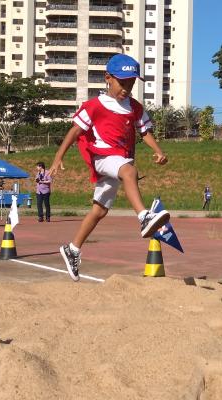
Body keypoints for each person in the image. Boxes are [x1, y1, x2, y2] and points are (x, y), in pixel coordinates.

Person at [49, 53, 170, 282]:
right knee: (129, 171)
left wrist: (158, 150)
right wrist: (58, 157)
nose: (126, 88)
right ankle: (144, 217)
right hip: (103, 157)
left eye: (131, 83)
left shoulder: (134, 107)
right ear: (108, 78)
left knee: (100, 210)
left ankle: (72, 249)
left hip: (119, 160)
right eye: (122, 83)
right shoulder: (95, 106)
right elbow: (75, 131)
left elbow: (145, 132)